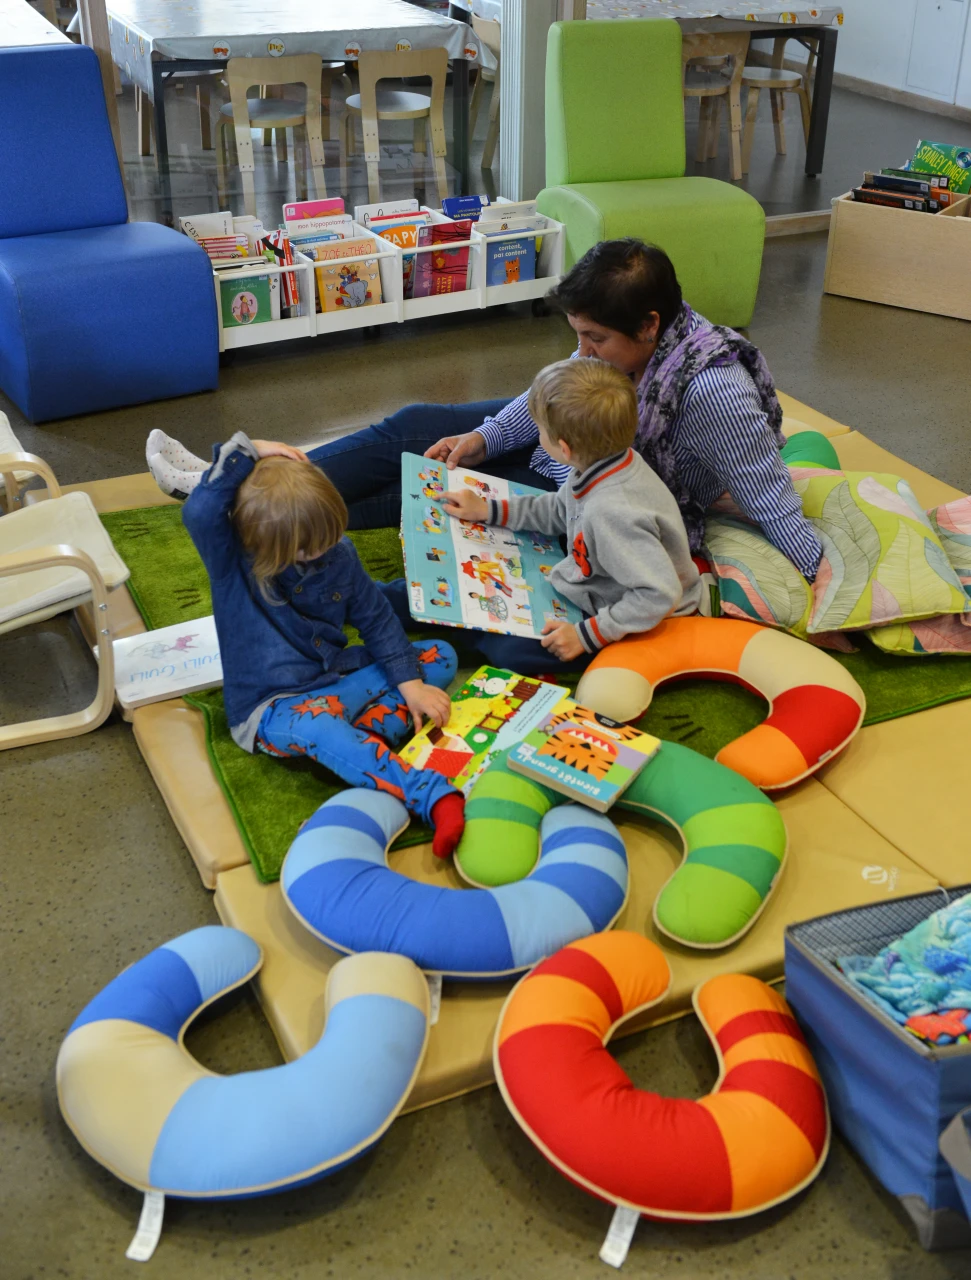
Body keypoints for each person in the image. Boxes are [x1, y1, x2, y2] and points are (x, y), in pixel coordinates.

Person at [146, 239, 823, 579]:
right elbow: (552, 394)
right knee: (416, 428)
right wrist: (482, 436)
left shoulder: (711, 390)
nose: (581, 348)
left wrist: (826, 581)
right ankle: (236, 488)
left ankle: (242, 502)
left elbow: (772, 499)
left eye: (594, 338)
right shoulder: (624, 347)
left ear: (648, 326)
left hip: (587, 480)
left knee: (424, 488)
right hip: (567, 436)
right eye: (578, 333)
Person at [181, 432, 466, 858]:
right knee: (319, 727)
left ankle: (354, 747)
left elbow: (377, 619)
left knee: (438, 655)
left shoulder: (338, 551)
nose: (325, 550)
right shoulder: (233, 562)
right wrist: (250, 450)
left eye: (330, 536)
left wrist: (411, 686)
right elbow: (201, 511)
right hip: (274, 706)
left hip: (337, 676)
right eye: (308, 549)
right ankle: (429, 795)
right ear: (264, 546)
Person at [435, 358, 703, 675]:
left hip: (641, 623)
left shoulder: (613, 512)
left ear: (563, 448)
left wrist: (585, 636)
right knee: (465, 588)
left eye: (539, 430)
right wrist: (488, 510)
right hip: (597, 592)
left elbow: (660, 595)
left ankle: (459, 634)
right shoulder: (602, 464)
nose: (537, 434)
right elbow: (558, 510)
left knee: (509, 650)